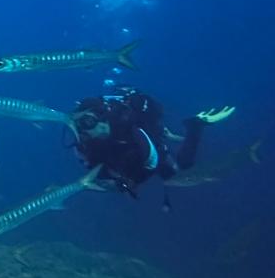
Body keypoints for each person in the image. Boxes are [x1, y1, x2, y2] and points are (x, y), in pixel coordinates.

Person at [70, 87, 233, 204]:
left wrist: (131, 181)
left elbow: (151, 162)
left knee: (178, 169)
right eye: (77, 126)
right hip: (123, 159)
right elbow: (93, 170)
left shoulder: (126, 126)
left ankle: (195, 125)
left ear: (102, 118)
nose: (83, 130)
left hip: (147, 150)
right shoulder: (84, 143)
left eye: (87, 122)